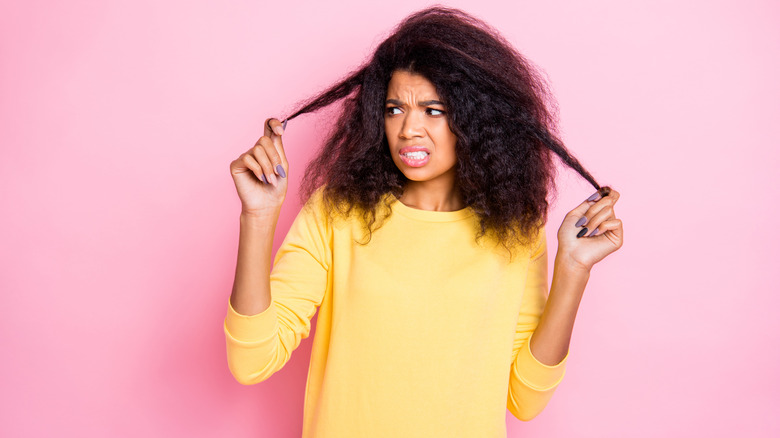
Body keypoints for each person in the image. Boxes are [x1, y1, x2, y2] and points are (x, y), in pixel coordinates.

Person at [224, 6, 623, 437]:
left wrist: (573, 269)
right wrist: (258, 216)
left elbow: (525, 401)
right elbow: (252, 361)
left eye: (433, 110)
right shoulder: (337, 212)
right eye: (395, 109)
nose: (409, 128)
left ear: (475, 119)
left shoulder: (516, 232)